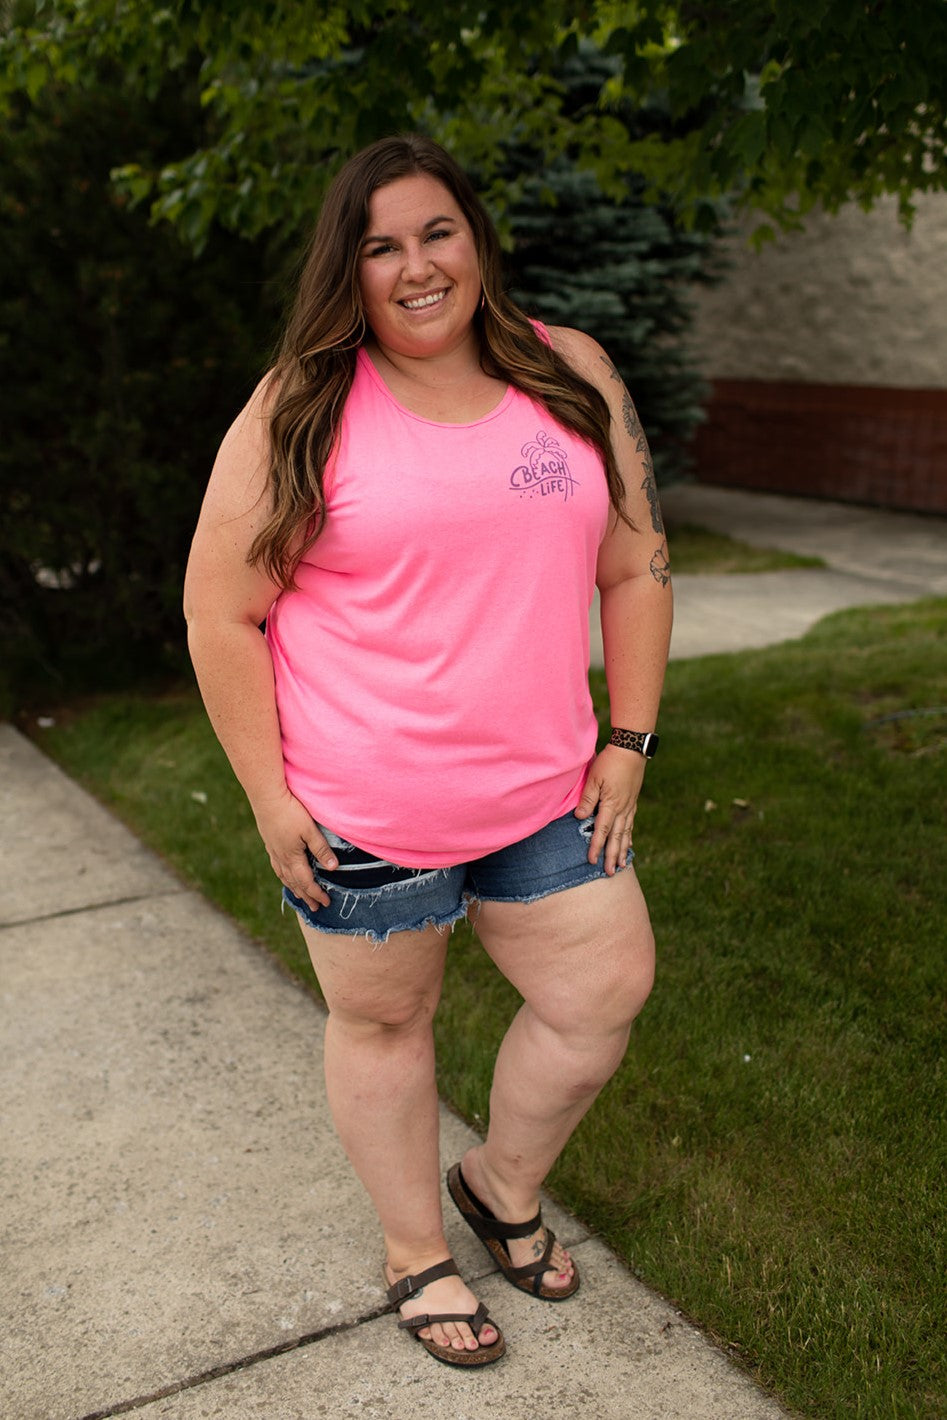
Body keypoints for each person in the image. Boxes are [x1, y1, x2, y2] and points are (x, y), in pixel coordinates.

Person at [183, 134, 672, 1369]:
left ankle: (500, 1185)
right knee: (387, 1026)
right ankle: (415, 1250)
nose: (415, 267)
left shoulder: (570, 369)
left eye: (435, 232)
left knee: (600, 992)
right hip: (364, 809)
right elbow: (218, 611)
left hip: (546, 792)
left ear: (475, 238)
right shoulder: (299, 406)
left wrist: (627, 739)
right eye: (379, 246)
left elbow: (635, 565)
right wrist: (267, 798)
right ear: (344, 270)